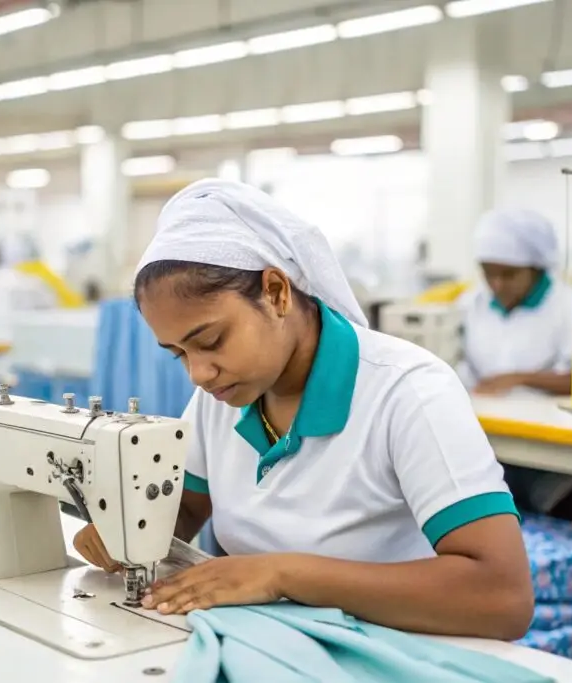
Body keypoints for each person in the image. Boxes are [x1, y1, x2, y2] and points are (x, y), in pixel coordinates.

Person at [73, 179, 534, 641]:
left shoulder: (408, 392)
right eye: (179, 354)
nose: (198, 373)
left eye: (211, 341)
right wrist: (126, 532)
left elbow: (503, 598)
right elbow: (186, 507)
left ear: (276, 292)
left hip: (396, 645)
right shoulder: (223, 396)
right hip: (274, 638)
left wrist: (281, 575)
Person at [458, 208, 572, 396]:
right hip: (483, 411)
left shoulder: (570, 307)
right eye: (488, 273)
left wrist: (521, 379)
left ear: (535, 268)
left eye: (508, 274)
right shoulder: (471, 304)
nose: (496, 284)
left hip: (545, 414)